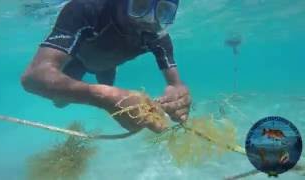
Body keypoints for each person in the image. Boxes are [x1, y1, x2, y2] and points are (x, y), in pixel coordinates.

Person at [21, 0, 191, 133]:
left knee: (110, 95)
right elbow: (33, 76)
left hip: (108, 68)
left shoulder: (158, 37)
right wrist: (103, 95)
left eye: (163, 12)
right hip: (77, 63)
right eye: (140, 5)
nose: (149, 21)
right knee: (60, 102)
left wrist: (178, 98)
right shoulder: (86, 9)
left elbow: (175, 85)